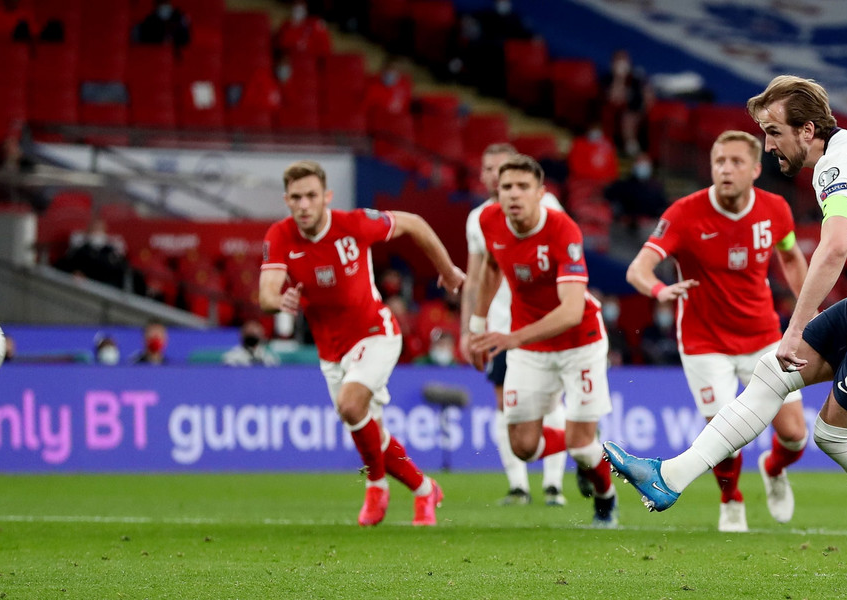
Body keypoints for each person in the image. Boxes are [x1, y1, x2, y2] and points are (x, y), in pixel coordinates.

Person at [606, 75, 847, 578]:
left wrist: (795, 328)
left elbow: (834, 247)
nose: (768, 145)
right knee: (772, 374)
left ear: (808, 129)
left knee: (833, 435)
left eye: (773, 132)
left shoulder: (833, 167)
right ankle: (670, 477)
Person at [259, 160, 465, 527]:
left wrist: (447, 271)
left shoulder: (353, 224)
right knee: (370, 428)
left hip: (376, 332)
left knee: (351, 406)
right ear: (286, 200)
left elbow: (414, 223)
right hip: (330, 350)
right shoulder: (279, 235)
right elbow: (266, 293)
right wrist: (280, 300)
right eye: (296, 197)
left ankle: (375, 484)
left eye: (311, 196)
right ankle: (423, 489)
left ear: (327, 197)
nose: (304, 204)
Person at [625, 130, 810, 532]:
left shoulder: (776, 210)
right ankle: (732, 499)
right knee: (724, 435)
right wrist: (659, 289)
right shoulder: (683, 214)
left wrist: (810, 310)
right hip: (704, 341)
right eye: (719, 162)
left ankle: (774, 469)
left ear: (756, 169)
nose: (725, 169)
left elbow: (792, 258)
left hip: (763, 334)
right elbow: (637, 269)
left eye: (736, 162)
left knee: (796, 435)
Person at [464, 154, 617, 527]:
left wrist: (511, 337)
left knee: (581, 449)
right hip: (530, 347)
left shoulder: (563, 230)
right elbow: (490, 266)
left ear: (541, 194)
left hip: (579, 341)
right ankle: (589, 446)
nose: (513, 195)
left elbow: (569, 311)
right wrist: (477, 325)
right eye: (506, 188)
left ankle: (604, 498)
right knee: (523, 446)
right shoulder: (488, 220)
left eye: (522, 187)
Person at [460, 143, 568, 507]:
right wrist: (468, 329)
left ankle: (554, 485)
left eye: (501, 168)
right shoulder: (478, 219)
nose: (495, 175)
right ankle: (518, 486)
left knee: (550, 403)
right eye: (488, 168)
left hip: (543, 325)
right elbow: (476, 278)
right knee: (504, 405)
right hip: (500, 326)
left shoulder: (548, 207)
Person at [603, 153, 668, 230]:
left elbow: (662, 207)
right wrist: (621, 217)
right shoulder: (623, 185)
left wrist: (651, 220)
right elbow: (610, 199)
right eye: (640, 162)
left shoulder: (656, 188)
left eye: (645, 163)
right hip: (624, 227)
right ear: (634, 164)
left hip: (647, 227)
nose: (643, 166)